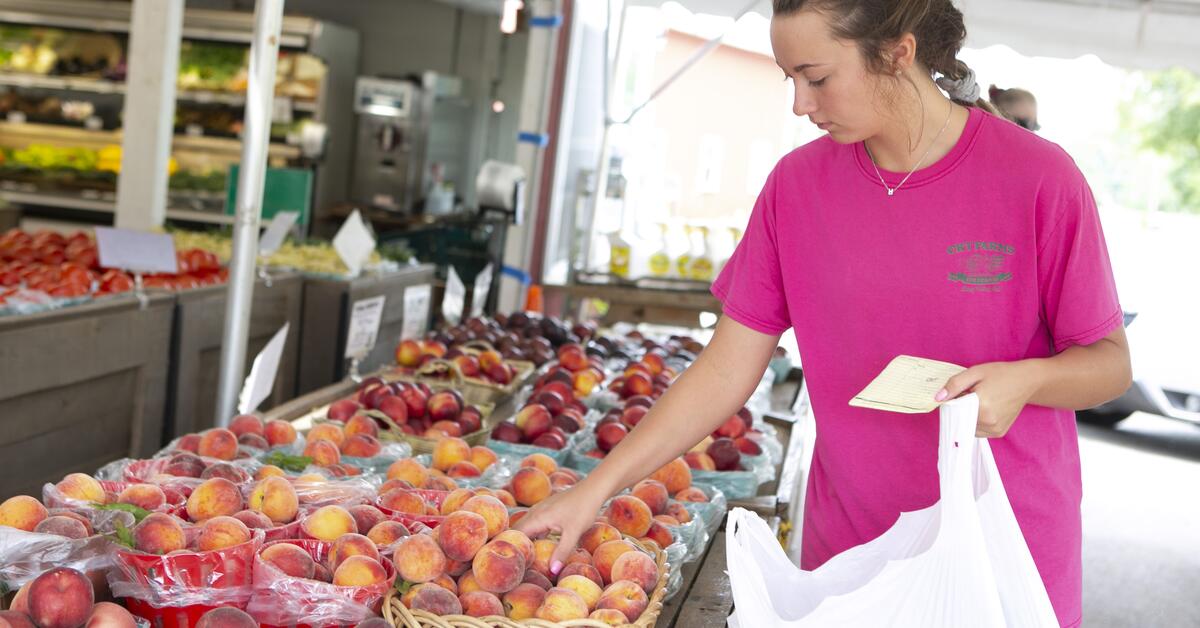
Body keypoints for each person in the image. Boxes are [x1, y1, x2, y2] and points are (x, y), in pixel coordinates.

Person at [516, 1, 1131, 626]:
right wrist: (590, 493)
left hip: (1004, 547)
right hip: (852, 554)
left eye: (816, 77)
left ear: (898, 53)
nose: (800, 104)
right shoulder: (795, 187)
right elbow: (725, 371)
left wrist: (1026, 379)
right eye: (791, 80)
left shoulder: (1038, 178)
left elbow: (1108, 366)